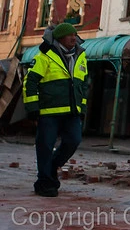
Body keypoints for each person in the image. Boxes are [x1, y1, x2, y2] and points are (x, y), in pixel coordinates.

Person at [23, 23, 88, 197]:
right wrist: (32, 108)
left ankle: (51, 167)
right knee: (45, 146)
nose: (74, 38)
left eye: (75, 35)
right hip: (48, 113)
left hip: (72, 112)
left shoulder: (81, 56)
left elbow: (83, 85)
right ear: (60, 38)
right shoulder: (44, 56)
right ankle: (44, 182)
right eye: (69, 35)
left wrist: (82, 108)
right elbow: (30, 82)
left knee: (74, 140)